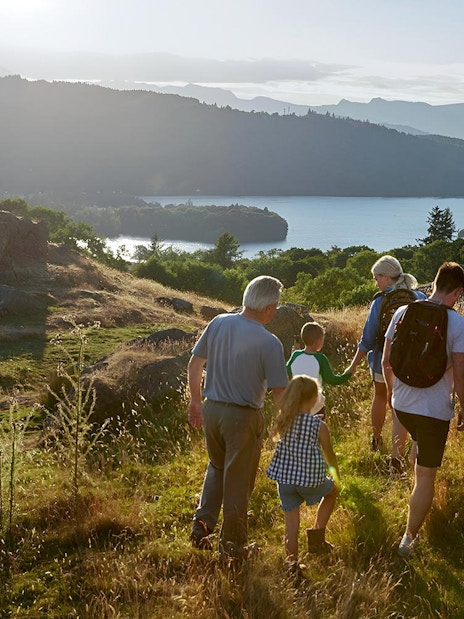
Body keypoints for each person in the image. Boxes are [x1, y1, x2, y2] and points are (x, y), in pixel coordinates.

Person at [187, 275, 289, 559]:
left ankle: (201, 526)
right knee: (238, 480)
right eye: (276, 306)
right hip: (242, 419)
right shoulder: (270, 342)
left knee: (217, 467)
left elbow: (195, 365)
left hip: (212, 410)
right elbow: (280, 393)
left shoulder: (219, 322)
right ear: (269, 307)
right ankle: (233, 546)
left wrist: (196, 401)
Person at [382, 261, 464, 557]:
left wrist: (393, 396)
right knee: (426, 476)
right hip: (433, 412)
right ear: (456, 292)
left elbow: (385, 361)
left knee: (418, 449)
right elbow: (460, 371)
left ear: (433, 284)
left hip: (403, 405)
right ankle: (409, 538)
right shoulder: (457, 323)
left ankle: (412, 496)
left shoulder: (404, 312)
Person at [346, 255, 426, 470]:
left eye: (376, 278)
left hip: (384, 361)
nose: (376, 283)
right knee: (409, 402)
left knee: (381, 396)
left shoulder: (380, 301)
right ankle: (407, 447)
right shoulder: (419, 296)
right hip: (413, 364)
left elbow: (367, 339)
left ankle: (376, 438)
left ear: (387, 278)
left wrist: (353, 366)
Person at [266, 375, 340, 565]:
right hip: (310, 481)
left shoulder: (284, 422)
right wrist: (335, 475)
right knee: (332, 492)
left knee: (291, 525)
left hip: (285, 481)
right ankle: (317, 538)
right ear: (314, 398)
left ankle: (292, 566)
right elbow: (329, 454)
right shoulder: (318, 426)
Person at [287, 321, 351, 419]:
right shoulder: (320, 358)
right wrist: (348, 374)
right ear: (318, 341)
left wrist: (293, 355)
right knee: (318, 432)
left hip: (296, 404)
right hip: (315, 406)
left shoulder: (295, 355)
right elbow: (332, 380)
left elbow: (287, 369)